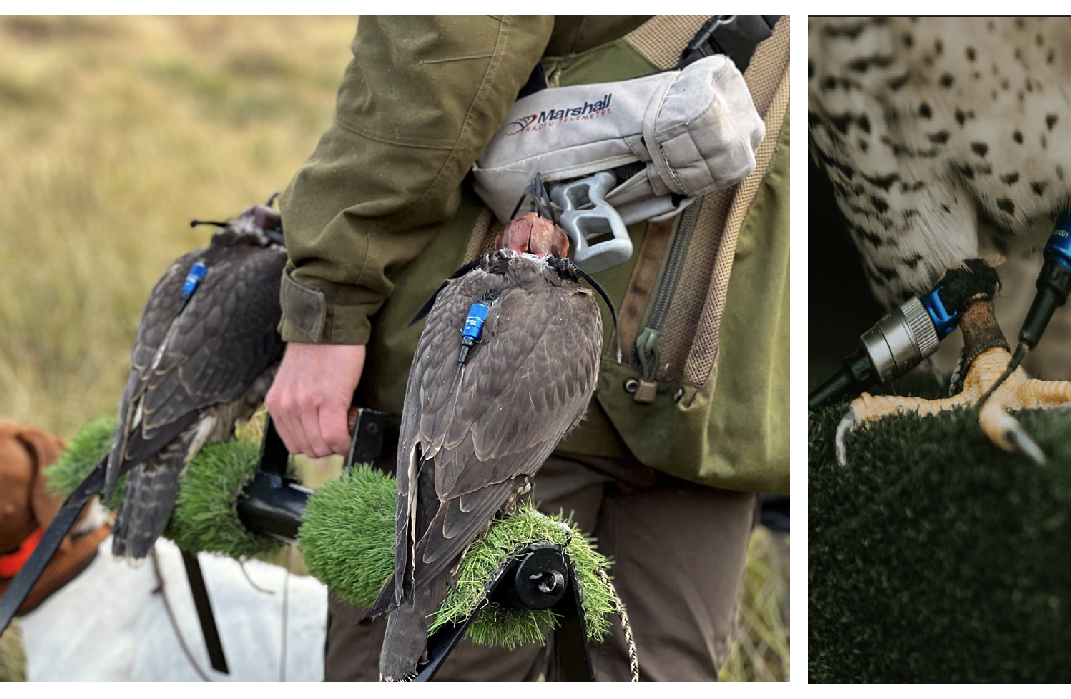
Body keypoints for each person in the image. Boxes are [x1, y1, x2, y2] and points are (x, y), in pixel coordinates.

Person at [264, 15, 788, 681]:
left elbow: (440, 48)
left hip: (621, 404)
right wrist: (331, 297)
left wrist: (329, 299)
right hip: (712, 392)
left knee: (423, 663)